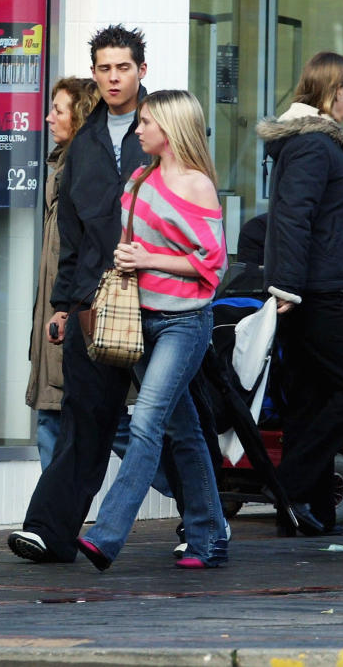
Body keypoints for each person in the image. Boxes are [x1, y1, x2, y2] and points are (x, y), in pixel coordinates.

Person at [7, 24, 151, 563]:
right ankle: (50, 530)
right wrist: (65, 306)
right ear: (95, 73)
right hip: (96, 305)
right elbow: (71, 234)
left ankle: (206, 524)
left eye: (123, 67)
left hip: (161, 298)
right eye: (105, 68)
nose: (114, 77)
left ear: (141, 70)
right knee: (82, 417)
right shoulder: (85, 144)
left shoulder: (162, 128)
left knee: (177, 422)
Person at [76, 89, 229, 570]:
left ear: (171, 127)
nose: (137, 129)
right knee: (183, 433)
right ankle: (210, 538)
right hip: (139, 318)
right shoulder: (140, 178)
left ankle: (106, 534)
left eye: (145, 122)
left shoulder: (198, 185)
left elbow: (213, 264)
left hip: (185, 322)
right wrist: (127, 257)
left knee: (145, 423)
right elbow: (132, 242)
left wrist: (147, 258)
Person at [254, 51, 343, 536]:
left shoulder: (314, 144)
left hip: (307, 287)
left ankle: (312, 510)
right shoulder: (314, 144)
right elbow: (292, 217)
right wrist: (287, 286)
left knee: (311, 397)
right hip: (311, 291)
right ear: (331, 90)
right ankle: (288, 484)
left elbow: (319, 210)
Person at [26, 77, 100, 470]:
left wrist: (68, 308)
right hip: (58, 318)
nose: (49, 117)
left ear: (80, 115)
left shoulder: (80, 174)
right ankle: (49, 523)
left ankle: (199, 502)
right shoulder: (60, 167)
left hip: (73, 316)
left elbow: (80, 253)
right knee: (51, 419)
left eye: (58, 109)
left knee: (115, 426)